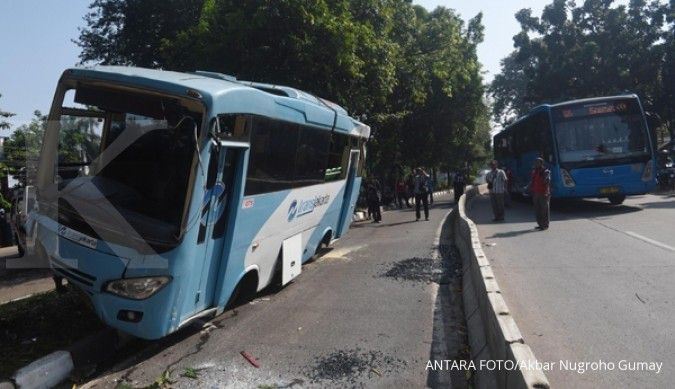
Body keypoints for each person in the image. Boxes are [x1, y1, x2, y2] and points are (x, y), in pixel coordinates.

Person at [529, 157, 551, 230]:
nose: (536, 164)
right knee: (537, 210)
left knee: (544, 210)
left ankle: (545, 225)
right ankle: (540, 224)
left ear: (542, 163)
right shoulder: (534, 171)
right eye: (535, 162)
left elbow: (547, 181)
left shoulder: (545, 171)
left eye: (538, 162)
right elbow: (532, 181)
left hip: (543, 193)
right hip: (535, 193)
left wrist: (547, 192)